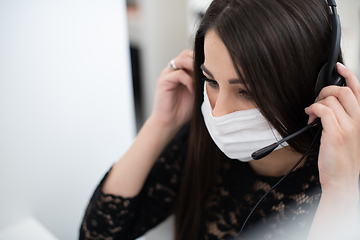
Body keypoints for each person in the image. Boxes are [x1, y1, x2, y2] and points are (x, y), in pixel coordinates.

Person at [80, 0, 360, 239]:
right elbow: (98, 234)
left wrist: (340, 193)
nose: (218, 113)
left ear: (316, 85)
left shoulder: (343, 177)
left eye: (246, 91)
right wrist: (159, 124)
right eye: (211, 81)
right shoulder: (198, 139)